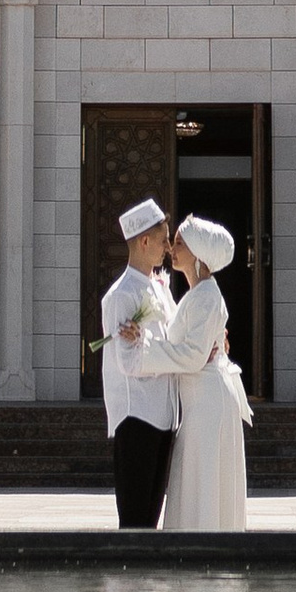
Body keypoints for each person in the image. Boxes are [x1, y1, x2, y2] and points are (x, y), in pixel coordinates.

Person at [130, 212, 251, 530]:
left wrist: (143, 353)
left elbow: (193, 356)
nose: (172, 247)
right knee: (197, 477)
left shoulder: (206, 297)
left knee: (203, 478)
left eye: (181, 243)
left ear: (199, 255)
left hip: (208, 403)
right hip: (200, 402)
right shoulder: (198, 296)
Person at [97, 196, 179, 529]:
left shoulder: (159, 288)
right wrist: (171, 358)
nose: (168, 249)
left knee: (151, 517)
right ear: (144, 241)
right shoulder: (122, 295)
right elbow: (128, 362)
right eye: (162, 241)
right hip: (137, 416)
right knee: (135, 519)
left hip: (163, 414)